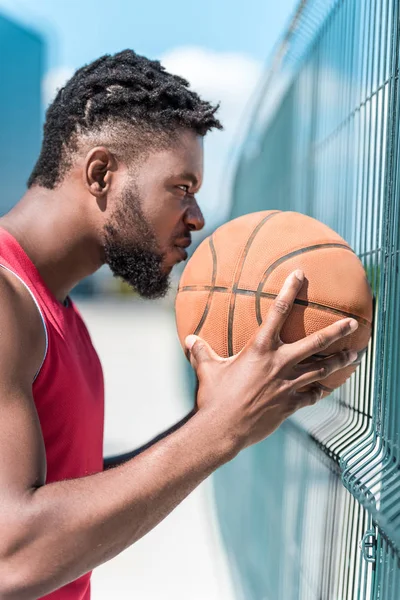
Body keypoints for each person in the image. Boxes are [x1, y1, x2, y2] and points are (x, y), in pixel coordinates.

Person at [0, 49, 358, 599]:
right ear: (101, 174)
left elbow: (70, 488)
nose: (197, 217)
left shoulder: (60, 314)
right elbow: (12, 557)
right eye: (181, 187)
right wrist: (217, 431)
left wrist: (216, 419)